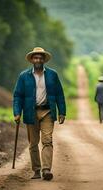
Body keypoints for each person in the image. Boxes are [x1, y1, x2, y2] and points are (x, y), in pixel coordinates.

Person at [13, 47, 66, 181]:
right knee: (33, 143)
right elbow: (18, 96)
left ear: (44, 60)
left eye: (40, 58)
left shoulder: (52, 75)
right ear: (32, 60)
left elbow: (60, 93)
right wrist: (17, 112)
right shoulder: (24, 76)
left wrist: (62, 112)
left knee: (47, 140)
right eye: (36, 57)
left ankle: (46, 169)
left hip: (48, 111)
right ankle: (36, 170)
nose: (38, 60)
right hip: (31, 112)